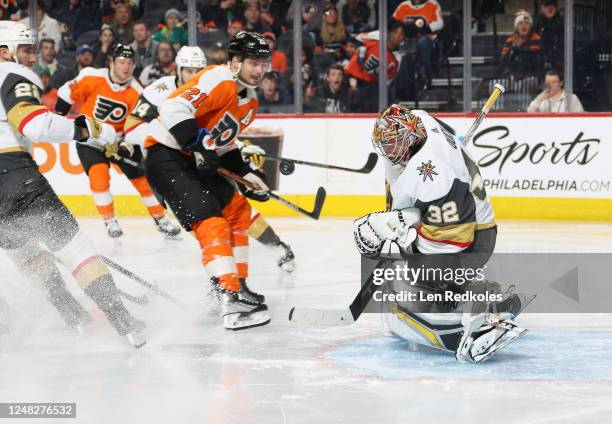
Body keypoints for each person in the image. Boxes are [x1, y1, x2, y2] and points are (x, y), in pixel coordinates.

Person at [0, 21, 145, 347]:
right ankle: (126, 323)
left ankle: (72, 315)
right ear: (4, 52)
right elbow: (34, 124)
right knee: (75, 249)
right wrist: (90, 129)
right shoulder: (11, 73)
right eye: (24, 50)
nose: (31, 57)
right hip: (14, 174)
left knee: (24, 253)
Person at [353, 104, 531, 362]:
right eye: (384, 143)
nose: (386, 150)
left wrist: (404, 249)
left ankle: (476, 295)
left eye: (392, 144)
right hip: (454, 215)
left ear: (408, 139)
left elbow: (453, 240)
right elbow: (447, 131)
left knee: (412, 274)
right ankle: (466, 291)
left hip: (474, 241)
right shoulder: (422, 120)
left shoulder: (434, 180)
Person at [143, 31, 273, 330]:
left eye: (263, 64)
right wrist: (196, 142)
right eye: (253, 62)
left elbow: (224, 144)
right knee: (211, 221)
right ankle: (230, 297)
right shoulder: (219, 78)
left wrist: (248, 177)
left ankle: (236, 286)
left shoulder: (249, 100)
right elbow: (172, 107)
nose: (259, 70)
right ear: (236, 61)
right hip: (166, 156)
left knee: (239, 213)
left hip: (193, 160)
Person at [125, 48, 295, 273]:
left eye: (198, 69)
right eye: (188, 70)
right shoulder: (162, 89)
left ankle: (266, 255)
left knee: (237, 207)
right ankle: (224, 281)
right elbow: (132, 128)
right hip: (170, 165)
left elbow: (219, 136)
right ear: (178, 69)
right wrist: (183, 138)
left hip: (200, 163)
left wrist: (236, 154)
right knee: (208, 226)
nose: (193, 74)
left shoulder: (210, 87)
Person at [55, 44, 181, 240]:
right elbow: (64, 95)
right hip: (90, 139)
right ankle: (109, 220)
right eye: (122, 62)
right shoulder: (91, 76)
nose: (126, 67)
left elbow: (140, 121)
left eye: (130, 62)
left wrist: (127, 142)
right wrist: (59, 118)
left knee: (142, 179)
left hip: (119, 141)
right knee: (99, 177)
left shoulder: (138, 90)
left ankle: (160, 218)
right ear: (111, 62)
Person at [345, 22, 406, 112]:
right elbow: (358, 38)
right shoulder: (378, 36)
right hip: (351, 74)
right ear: (391, 32)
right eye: (396, 33)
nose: (398, 37)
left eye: (401, 35)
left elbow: (389, 79)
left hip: (370, 84)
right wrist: (359, 47)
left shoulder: (396, 58)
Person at [392, 0, 444, 84]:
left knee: (423, 41)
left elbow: (439, 23)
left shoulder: (433, 4)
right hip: (406, 39)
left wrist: (424, 29)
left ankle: (424, 71)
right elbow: (393, 22)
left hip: (426, 39)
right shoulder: (403, 6)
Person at [498, 11, 542, 80]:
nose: (523, 26)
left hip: (531, 77)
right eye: (520, 23)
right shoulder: (510, 41)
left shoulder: (536, 39)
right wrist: (514, 47)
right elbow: (503, 61)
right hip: (512, 77)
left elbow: (535, 61)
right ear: (516, 27)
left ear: (531, 26)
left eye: (527, 23)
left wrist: (519, 48)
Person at [533, 0, 564, 71]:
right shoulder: (536, 23)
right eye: (547, 6)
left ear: (556, 8)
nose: (550, 8)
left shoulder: (563, 23)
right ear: (542, 8)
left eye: (553, 6)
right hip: (540, 61)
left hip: (557, 61)